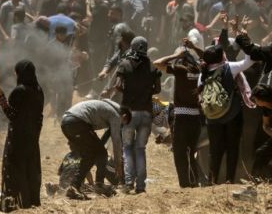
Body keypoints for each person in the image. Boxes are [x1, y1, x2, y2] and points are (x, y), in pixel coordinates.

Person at [198, 39, 255, 184]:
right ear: (221, 56)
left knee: (215, 150)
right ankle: (229, 179)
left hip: (212, 118)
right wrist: (245, 43)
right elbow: (248, 62)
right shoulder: (230, 67)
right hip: (233, 115)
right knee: (232, 147)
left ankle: (212, 180)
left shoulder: (203, 73)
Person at [0, 60, 44, 212]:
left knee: (15, 169)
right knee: (29, 168)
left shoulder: (19, 91)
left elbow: (12, 115)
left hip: (18, 138)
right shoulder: (39, 90)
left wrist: (1, 99)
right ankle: (29, 201)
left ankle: (12, 203)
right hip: (32, 137)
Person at [115, 37, 161, 193]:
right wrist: (145, 92)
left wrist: (129, 92)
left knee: (127, 147)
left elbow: (118, 86)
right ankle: (141, 186)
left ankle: (129, 183)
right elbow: (158, 89)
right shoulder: (152, 66)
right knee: (140, 149)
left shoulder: (125, 64)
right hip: (146, 113)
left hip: (128, 112)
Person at [60, 99, 131, 199]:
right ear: (124, 116)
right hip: (78, 122)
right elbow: (116, 141)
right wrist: (118, 164)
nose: (121, 126)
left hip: (66, 122)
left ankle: (74, 187)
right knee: (100, 153)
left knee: (89, 155)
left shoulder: (108, 108)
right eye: (123, 124)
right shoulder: (116, 116)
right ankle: (99, 185)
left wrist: (99, 148)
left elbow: (105, 138)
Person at [153, 43, 203, 188]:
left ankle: (185, 185)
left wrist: (176, 55)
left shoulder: (181, 69)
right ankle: (194, 182)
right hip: (196, 117)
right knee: (191, 152)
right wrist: (193, 47)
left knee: (180, 154)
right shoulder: (199, 69)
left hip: (182, 116)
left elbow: (157, 63)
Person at [249, 84, 272, 181]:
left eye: (255, 99)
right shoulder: (265, 108)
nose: (254, 101)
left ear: (263, 98)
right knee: (260, 153)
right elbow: (265, 126)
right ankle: (254, 180)